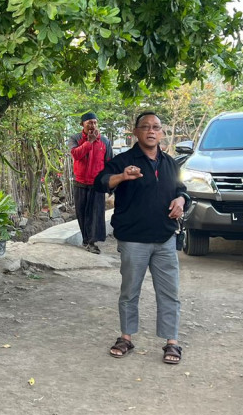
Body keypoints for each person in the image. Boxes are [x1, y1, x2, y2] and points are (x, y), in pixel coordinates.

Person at [94, 111, 187, 364]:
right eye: (145, 126)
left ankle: (172, 343)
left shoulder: (170, 163)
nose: (151, 131)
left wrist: (181, 200)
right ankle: (126, 338)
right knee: (129, 292)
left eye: (156, 127)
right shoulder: (123, 160)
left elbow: (182, 190)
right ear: (135, 132)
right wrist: (123, 176)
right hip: (133, 239)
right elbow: (101, 182)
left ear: (162, 132)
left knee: (169, 293)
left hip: (165, 238)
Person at [70, 111, 112, 254]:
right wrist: (89, 142)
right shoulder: (75, 138)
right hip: (80, 182)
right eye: (89, 123)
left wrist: (108, 183)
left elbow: (109, 162)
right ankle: (85, 240)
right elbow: (75, 154)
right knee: (82, 213)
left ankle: (92, 242)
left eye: (95, 122)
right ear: (82, 124)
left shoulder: (105, 141)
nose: (92, 125)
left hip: (97, 184)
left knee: (95, 214)